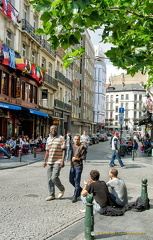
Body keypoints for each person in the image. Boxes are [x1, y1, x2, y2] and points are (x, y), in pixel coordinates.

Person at [43, 125, 66, 201]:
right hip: (50, 161)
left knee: (54, 177)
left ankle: (61, 188)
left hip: (58, 160)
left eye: (55, 129)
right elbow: (47, 151)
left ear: (57, 130)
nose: (53, 130)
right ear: (49, 130)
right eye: (52, 129)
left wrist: (62, 160)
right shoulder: (48, 139)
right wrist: (44, 161)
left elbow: (63, 150)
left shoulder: (61, 138)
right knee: (49, 179)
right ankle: (51, 194)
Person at [69, 134, 87, 203]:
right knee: (71, 180)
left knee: (77, 181)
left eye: (78, 139)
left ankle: (75, 196)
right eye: (75, 139)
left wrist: (76, 158)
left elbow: (84, 157)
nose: (76, 141)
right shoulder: (72, 147)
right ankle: (79, 190)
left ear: (80, 140)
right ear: (73, 140)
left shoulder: (82, 147)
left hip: (78, 166)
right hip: (72, 166)